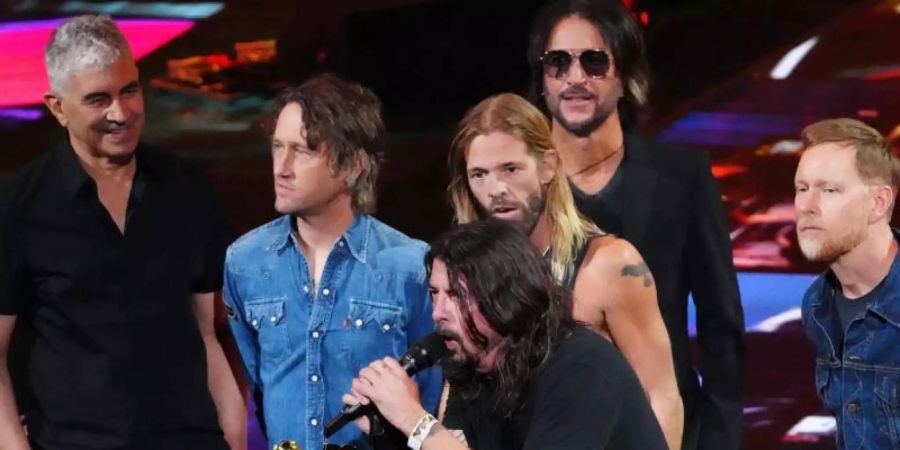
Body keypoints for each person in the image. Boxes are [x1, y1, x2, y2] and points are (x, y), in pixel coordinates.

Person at [0, 15, 244, 450]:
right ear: (57, 107)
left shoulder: (186, 189)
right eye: (98, 99)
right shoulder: (18, 208)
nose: (122, 113)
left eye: (129, 90)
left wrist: (234, 435)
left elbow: (209, 333)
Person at [527, 1, 746, 447]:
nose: (575, 78)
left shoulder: (682, 178)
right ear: (542, 81)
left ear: (625, 77)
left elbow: (721, 328)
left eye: (593, 61)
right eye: (558, 63)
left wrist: (718, 440)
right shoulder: (515, 183)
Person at [447, 92, 682, 448]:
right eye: (479, 175)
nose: (495, 190)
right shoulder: (462, 284)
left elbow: (661, 396)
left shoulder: (609, 265)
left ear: (548, 166)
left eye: (510, 169)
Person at [223, 74, 441, 450]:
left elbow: (433, 395)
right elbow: (257, 379)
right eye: (278, 147)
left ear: (353, 166)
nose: (282, 167)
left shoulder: (408, 265)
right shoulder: (245, 261)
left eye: (303, 151)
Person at [342, 219, 668, 450]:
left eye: (456, 295)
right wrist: (389, 431)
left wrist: (415, 420)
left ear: (505, 298)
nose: (438, 312)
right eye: (434, 293)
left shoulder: (580, 369)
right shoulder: (474, 370)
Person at [795, 118, 900, 450]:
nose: (807, 207)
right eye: (801, 188)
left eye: (829, 190)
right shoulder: (817, 304)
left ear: (878, 203)